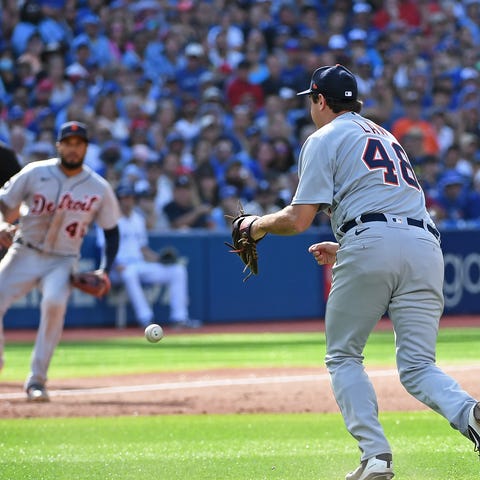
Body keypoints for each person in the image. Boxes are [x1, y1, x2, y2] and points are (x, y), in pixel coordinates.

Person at [244, 65, 480, 479]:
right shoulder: (387, 137)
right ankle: (470, 413)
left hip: (371, 241)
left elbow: (298, 220)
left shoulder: (324, 137)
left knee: (343, 355)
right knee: (419, 366)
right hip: (425, 244)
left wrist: (255, 225)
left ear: (319, 100)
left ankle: (375, 457)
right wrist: (349, 243)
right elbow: (387, 204)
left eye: (311, 100)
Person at [0, 121, 120, 402]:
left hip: (63, 259)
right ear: (59, 146)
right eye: (68, 143)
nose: (73, 148)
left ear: (86, 148)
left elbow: (112, 231)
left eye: (78, 144)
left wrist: (105, 269)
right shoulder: (34, 172)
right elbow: (3, 204)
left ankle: (36, 380)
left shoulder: (97, 187)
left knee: (54, 303)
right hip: (24, 251)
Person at [101, 184, 200, 329]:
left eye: (129, 198)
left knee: (177, 270)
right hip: (118, 268)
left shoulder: (138, 219)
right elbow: (104, 248)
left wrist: (159, 259)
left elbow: (143, 249)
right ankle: (146, 319)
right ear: (117, 200)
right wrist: (115, 264)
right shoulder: (109, 219)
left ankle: (179, 318)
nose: (127, 201)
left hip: (139, 265)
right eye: (123, 198)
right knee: (129, 273)